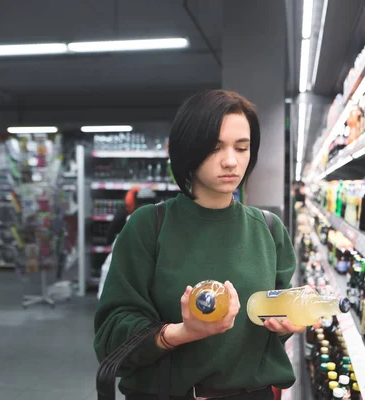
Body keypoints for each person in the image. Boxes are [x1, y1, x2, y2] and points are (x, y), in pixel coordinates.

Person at [94, 90, 310, 400]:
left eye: (242, 147)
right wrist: (181, 332)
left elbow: (271, 327)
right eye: (215, 147)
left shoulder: (269, 229)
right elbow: (111, 337)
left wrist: (287, 321)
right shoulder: (148, 226)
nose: (231, 161)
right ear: (188, 150)